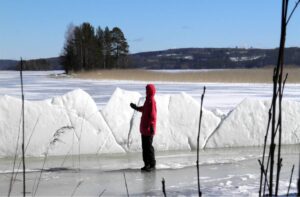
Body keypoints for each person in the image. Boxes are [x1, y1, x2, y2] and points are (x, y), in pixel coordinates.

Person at [130, 84, 157, 172]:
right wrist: (137, 108)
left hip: (149, 129)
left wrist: (152, 126)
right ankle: (147, 164)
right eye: (146, 90)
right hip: (144, 128)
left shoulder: (151, 101)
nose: (146, 92)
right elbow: (144, 109)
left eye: (147, 90)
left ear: (150, 91)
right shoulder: (147, 100)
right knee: (144, 147)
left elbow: (153, 115)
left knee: (148, 147)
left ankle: (152, 164)